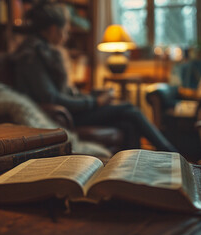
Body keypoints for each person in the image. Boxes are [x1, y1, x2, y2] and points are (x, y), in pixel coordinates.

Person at [12, 1, 177, 152]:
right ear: (54, 29)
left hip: (72, 111)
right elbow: (52, 98)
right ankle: (171, 153)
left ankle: (130, 172)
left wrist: (94, 96)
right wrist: (94, 102)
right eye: (65, 30)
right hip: (62, 116)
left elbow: (65, 93)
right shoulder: (32, 55)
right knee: (130, 109)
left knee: (128, 124)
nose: (67, 36)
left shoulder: (46, 52)